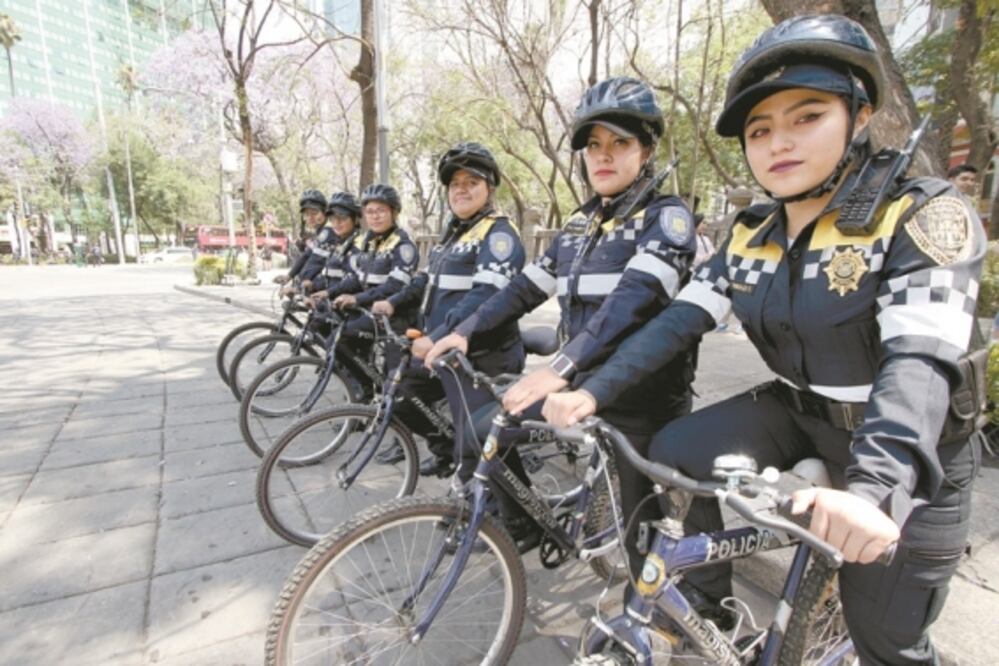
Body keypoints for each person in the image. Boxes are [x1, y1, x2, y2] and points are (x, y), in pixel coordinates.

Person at [542, 15, 985, 662]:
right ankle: (707, 604)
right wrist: (591, 391)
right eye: (758, 130)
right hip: (799, 414)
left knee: (888, 642)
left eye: (807, 116)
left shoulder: (919, 213)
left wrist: (873, 495)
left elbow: (917, 362)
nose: (779, 142)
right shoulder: (749, 234)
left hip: (913, 452)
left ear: (860, 116)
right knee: (673, 449)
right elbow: (676, 322)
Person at [426, 77, 698, 562]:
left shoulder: (665, 219)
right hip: (581, 378)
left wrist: (560, 367)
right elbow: (523, 289)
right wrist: (464, 332)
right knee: (485, 428)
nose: (603, 155)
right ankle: (525, 523)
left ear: (647, 149)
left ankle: (647, 592)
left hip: (641, 392)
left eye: (620, 143)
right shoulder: (580, 224)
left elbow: (630, 303)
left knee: (640, 534)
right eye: (593, 145)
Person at [370, 143, 527, 475]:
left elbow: (486, 295)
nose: (461, 189)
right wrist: (392, 303)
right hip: (443, 347)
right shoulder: (453, 234)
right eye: (455, 183)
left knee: (483, 449)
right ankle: (446, 449)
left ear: (490, 188)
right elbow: (423, 281)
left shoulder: (499, 233)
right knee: (401, 394)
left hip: (483, 354)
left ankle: (504, 501)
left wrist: (438, 336)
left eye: (472, 182)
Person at [319, 183, 419, 363]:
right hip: (368, 310)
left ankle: (363, 381)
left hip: (394, 315)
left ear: (394, 212)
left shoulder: (403, 245)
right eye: (370, 212)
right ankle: (358, 379)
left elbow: (394, 286)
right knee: (333, 336)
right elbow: (358, 279)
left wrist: (357, 298)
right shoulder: (370, 243)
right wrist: (328, 292)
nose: (375, 216)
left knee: (340, 341)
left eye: (381, 211)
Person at [305, 191, 362, 299]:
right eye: (332, 218)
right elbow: (330, 276)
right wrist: (311, 285)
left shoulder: (360, 246)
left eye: (342, 218)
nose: (336, 223)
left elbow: (355, 281)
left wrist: (329, 292)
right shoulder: (339, 244)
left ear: (356, 219)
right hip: (332, 302)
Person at [273, 189, 328, 294]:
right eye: (306, 214)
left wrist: (298, 288)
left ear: (325, 212)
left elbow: (316, 262)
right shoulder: (319, 234)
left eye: (315, 213)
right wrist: (289, 276)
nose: (310, 217)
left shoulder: (328, 233)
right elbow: (306, 256)